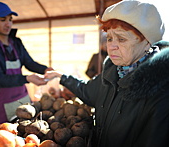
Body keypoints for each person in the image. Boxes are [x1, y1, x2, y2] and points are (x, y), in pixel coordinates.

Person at [44, 1, 169, 147]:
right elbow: (88, 91)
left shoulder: (161, 94)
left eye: (121, 39)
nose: (111, 46)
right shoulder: (112, 73)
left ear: (147, 42)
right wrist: (61, 77)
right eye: (109, 38)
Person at [0, 2, 53, 124]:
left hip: (22, 97)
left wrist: (46, 70)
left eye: (10, 19)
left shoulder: (16, 42)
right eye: (3, 20)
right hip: (2, 102)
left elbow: (29, 62)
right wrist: (27, 78)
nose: (8, 24)